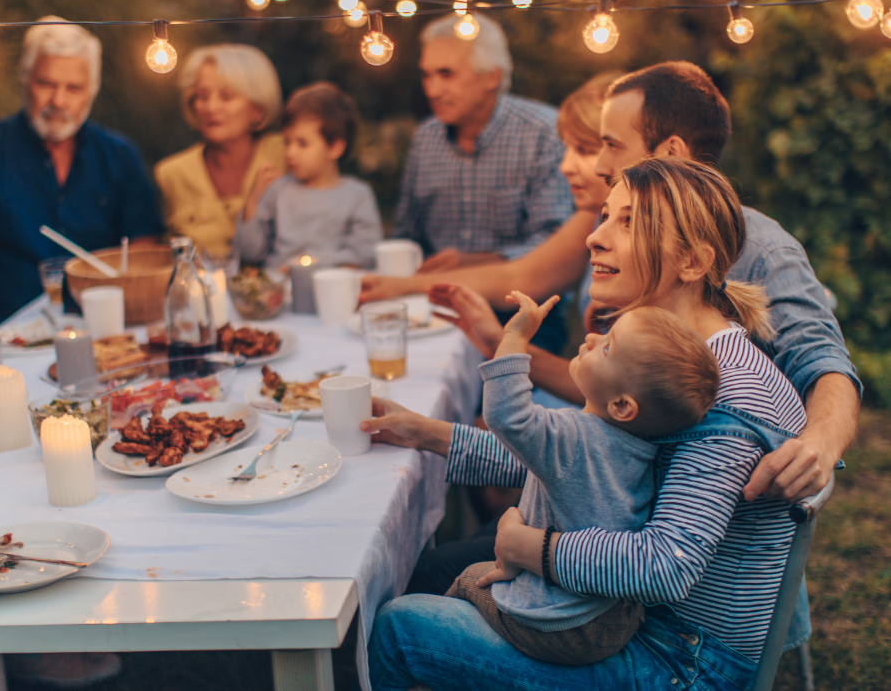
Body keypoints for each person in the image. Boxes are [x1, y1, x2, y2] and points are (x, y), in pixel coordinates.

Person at [367, 157, 810, 690]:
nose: (595, 237)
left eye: (628, 222)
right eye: (605, 215)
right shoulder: (666, 362)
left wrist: (531, 548)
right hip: (622, 618)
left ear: (691, 262)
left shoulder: (725, 395)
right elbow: (575, 458)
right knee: (430, 586)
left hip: (678, 661)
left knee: (401, 629)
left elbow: (665, 565)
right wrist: (425, 433)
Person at [362, 61, 860, 505]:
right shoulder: (623, 244)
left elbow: (823, 360)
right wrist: (428, 430)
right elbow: (593, 449)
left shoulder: (760, 255)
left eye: (609, 145)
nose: (597, 165)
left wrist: (818, 443)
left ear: (671, 154)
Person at [447, 293, 720, 666]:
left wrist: (512, 339)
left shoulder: (571, 437)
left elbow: (507, 416)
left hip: (558, 624)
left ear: (622, 405)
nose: (591, 338)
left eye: (607, 347)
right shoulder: (643, 449)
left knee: (466, 581)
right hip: (613, 618)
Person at [0, 16, 162, 332]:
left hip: (107, 330)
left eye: (74, 88)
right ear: (24, 79)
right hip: (13, 338)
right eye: (45, 83)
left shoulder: (120, 155)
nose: (58, 101)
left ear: (91, 91)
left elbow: (143, 254)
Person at [394, 13, 573, 273]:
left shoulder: (543, 132)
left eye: (446, 74)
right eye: (426, 75)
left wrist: (475, 264)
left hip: (522, 303)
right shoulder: (426, 138)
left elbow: (556, 242)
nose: (432, 90)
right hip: (433, 301)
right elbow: (406, 236)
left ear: (492, 77)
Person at [154, 44, 285, 258]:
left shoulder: (287, 154)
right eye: (202, 96)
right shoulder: (170, 174)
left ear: (257, 109)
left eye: (226, 96)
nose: (211, 108)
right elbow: (166, 257)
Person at [234, 81, 382, 269]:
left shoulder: (357, 196)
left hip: (331, 288)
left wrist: (307, 264)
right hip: (278, 291)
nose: (290, 152)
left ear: (335, 147)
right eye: (287, 142)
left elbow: (364, 256)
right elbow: (250, 253)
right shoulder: (279, 190)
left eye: (302, 143)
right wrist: (252, 202)